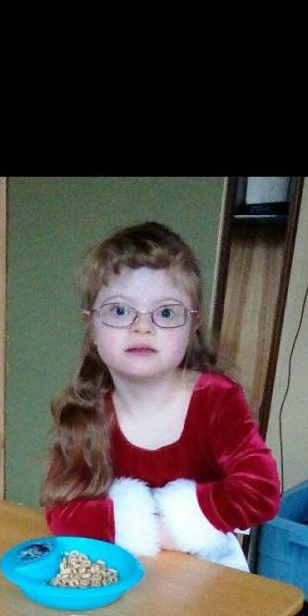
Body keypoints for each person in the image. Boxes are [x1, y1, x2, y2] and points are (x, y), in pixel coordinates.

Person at [40, 221, 280, 571]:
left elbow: (260, 492)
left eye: (165, 312)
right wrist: (132, 525)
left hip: (212, 574)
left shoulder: (217, 399)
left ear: (192, 325)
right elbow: (62, 513)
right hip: (120, 570)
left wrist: (172, 529)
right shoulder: (86, 410)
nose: (142, 326)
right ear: (91, 326)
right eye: (120, 311)